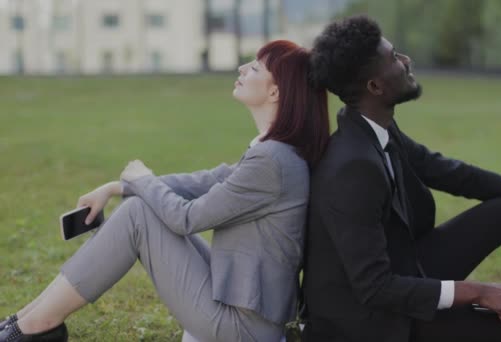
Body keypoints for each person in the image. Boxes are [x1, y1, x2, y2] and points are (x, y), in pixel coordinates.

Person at [302, 16, 501, 342]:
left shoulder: (373, 128)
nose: (406, 60)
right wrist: (478, 292)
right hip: (372, 321)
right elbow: (375, 287)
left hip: (403, 272)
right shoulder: (352, 168)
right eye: (393, 57)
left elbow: (453, 173)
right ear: (374, 87)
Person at [0, 39, 329, 342]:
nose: (242, 69)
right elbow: (205, 181)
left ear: (276, 93)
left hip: (241, 327)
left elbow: (186, 219)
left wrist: (143, 179)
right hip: (237, 306)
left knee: (139, 215)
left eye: (255, 67)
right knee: (139, 208)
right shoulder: (275, 152)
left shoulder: (272, 161)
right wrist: (118, 186)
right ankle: (27, 319)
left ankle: (35, 326)